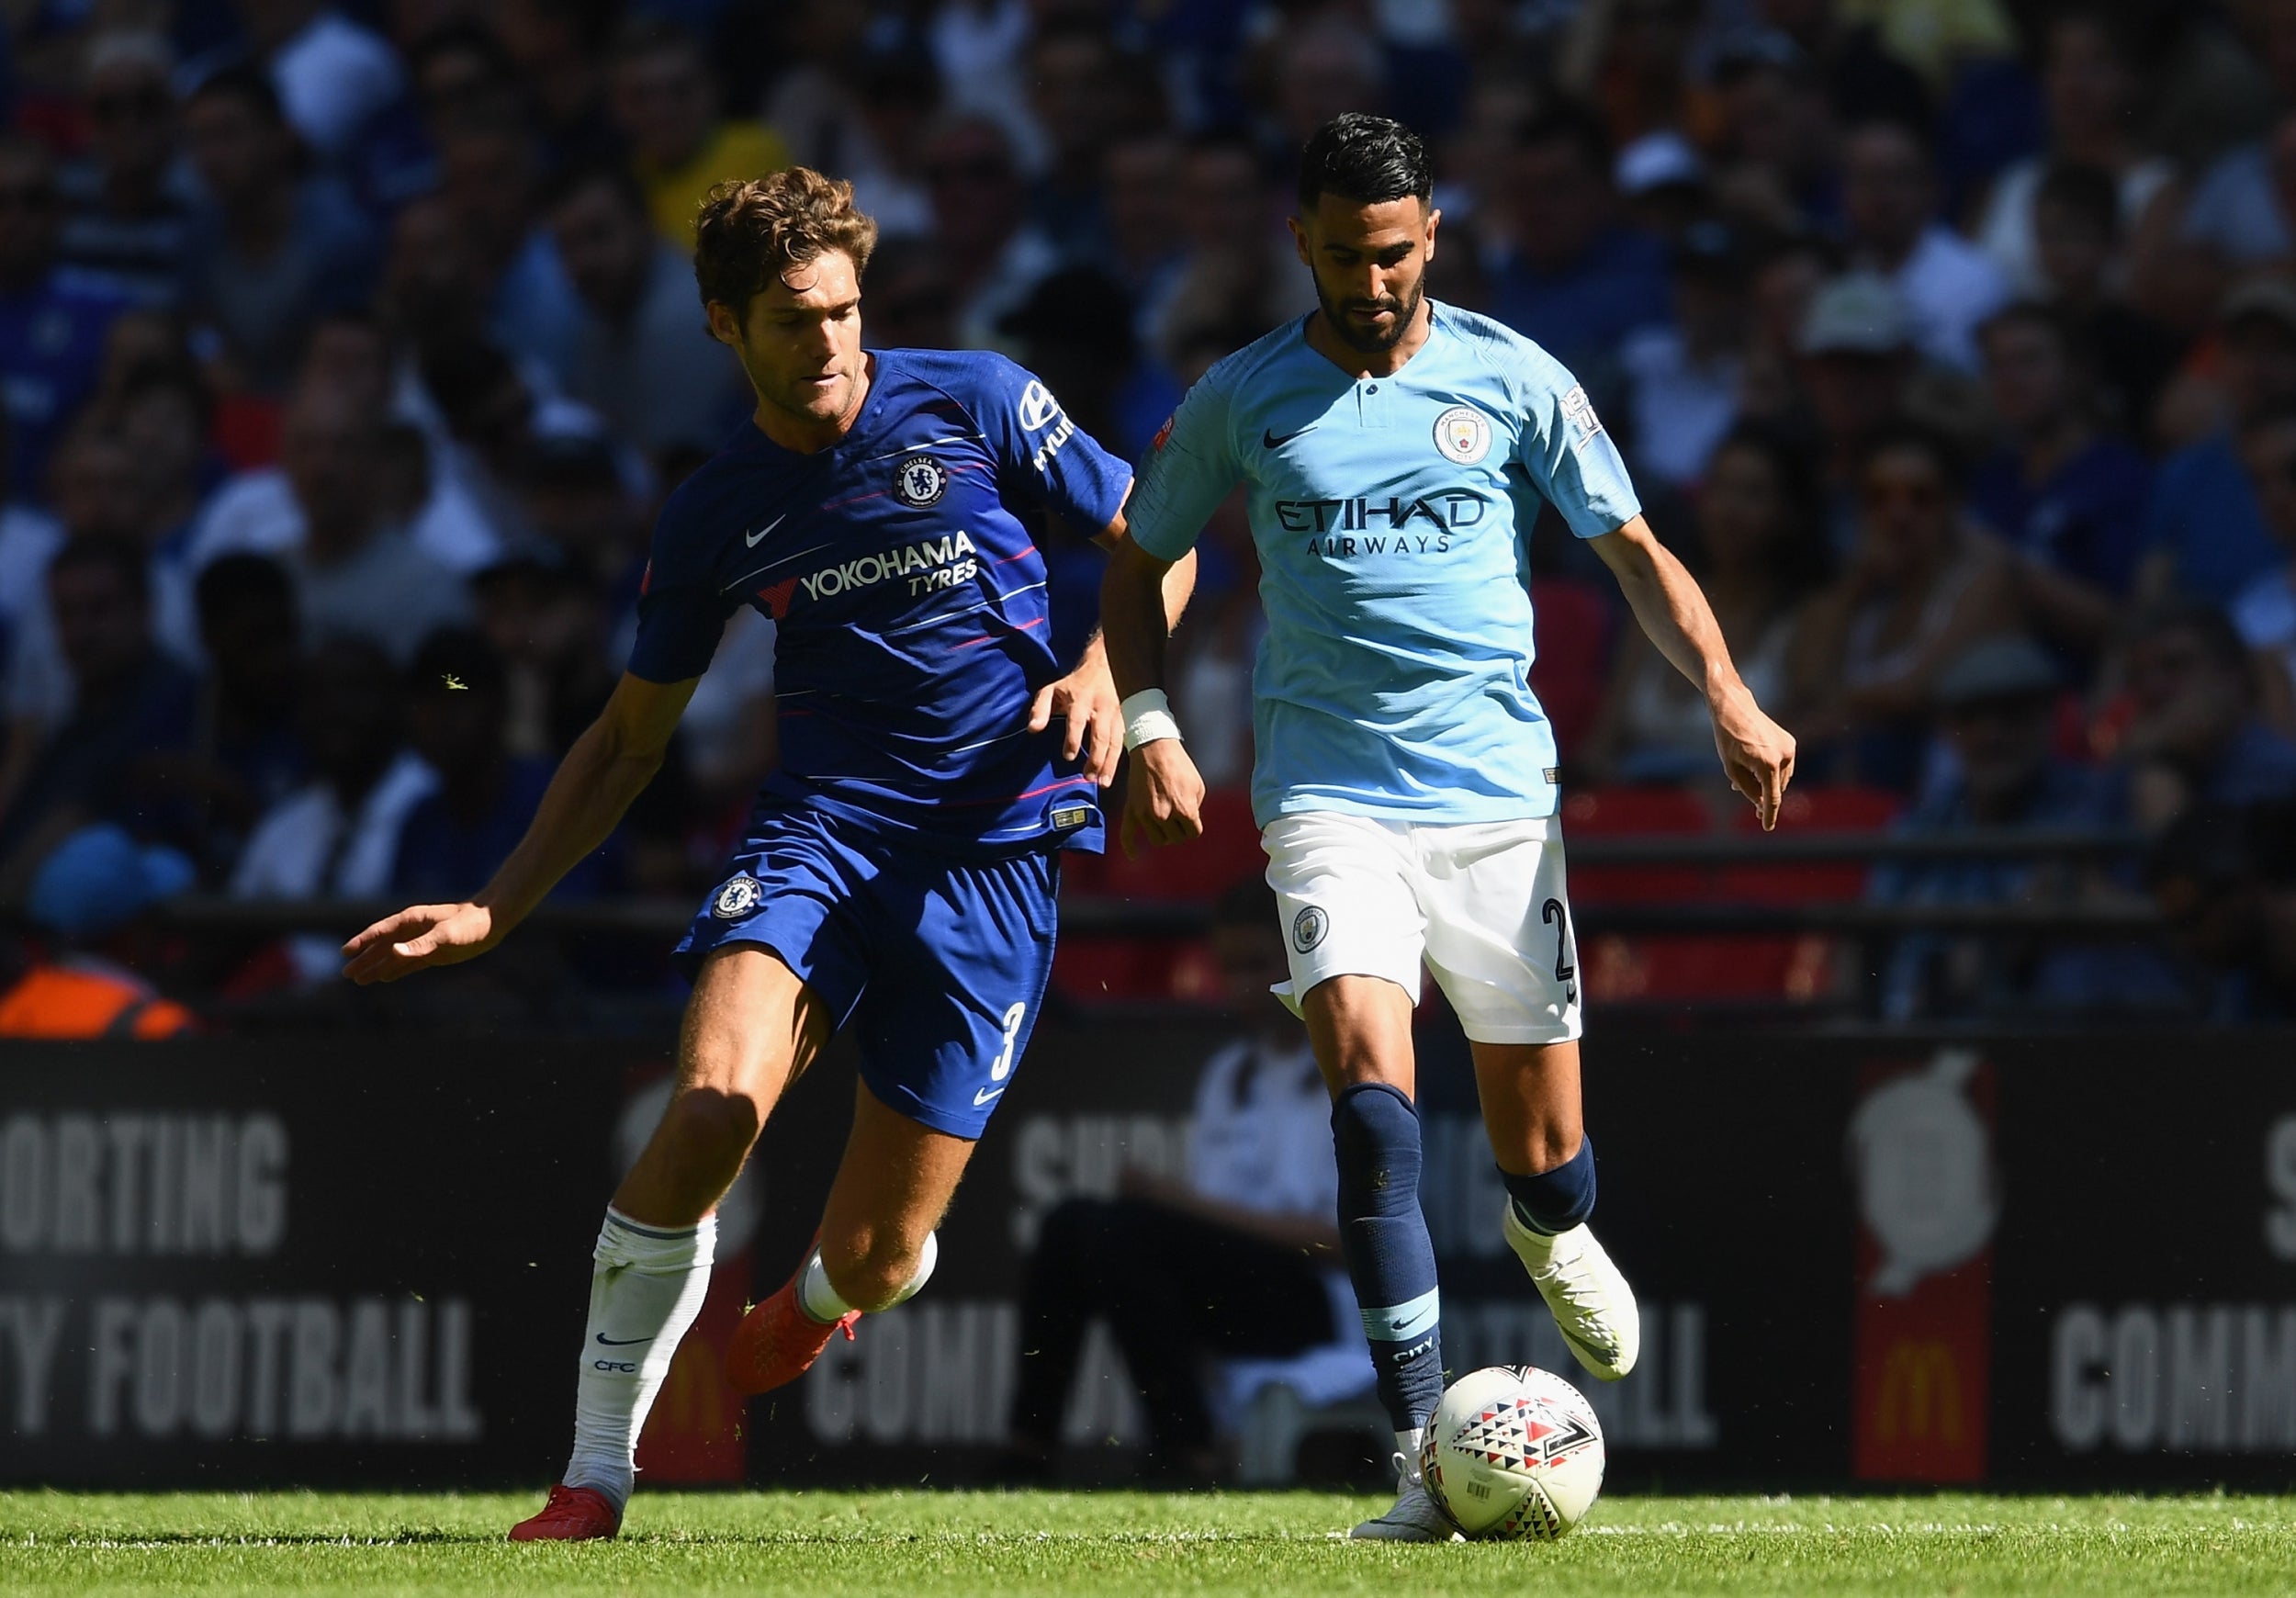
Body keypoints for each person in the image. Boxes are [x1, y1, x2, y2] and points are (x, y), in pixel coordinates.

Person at [338, 166, 1193, 1542]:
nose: (833, 346)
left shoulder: (974, 398)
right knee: (709, 1112)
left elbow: (1157, 537)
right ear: (725, 325)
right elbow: (626, 743)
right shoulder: (715, 510)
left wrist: (1113, 679)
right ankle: (593, 1476)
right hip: (822, 833)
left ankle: (815, 1300)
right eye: (795, 321)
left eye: (847, 313)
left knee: (878, 1249)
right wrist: (497, 913)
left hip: (991, 857)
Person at [1099, 114, 1795, 1541]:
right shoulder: (1243, 396)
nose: (1374, 283)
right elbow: (1137, 555)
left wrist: (1729, 693)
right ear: (1302, 241)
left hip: (1497, 806)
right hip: (1328, 797)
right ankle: (1421, 1452)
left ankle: (1551, 1229)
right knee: (1371, 1095)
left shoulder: (1513, 375)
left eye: (1398, 254)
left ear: (1435, 240)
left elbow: (1635, 552)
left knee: (1544, 1154)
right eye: (1348, 256)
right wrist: (1155, 723)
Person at [1004, 877, 1348, 1480]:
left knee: (1126, 1232)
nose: (1243, 984)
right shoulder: (1229, 1074)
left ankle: (1187, 1449)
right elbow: (1205, 1233)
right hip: (1237, 1286)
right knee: (1075, 1225)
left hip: (1319, 1304)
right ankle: (1029, 1448)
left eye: (1258, 963)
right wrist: (1180, 1211)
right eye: (1231, 967)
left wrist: (1176, 1202)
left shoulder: (1353, 1072)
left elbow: (1347, 1246)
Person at [1587, 424, 1826, 785]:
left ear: (1788, 512)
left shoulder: (1810, 618)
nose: (1730, 510)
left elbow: (1816, 731)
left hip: (1748, 820)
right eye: (1721, 488)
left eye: (1752, 493)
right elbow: (1604, 741)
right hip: (1641, 807)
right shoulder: (1653, 602)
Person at [1790, 422, 2018, 791]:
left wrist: (1824, 718)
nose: (1899, 514)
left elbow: (1919, 691)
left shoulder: (1983, 582)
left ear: (1953, 505)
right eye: (1878, 497)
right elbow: (1807, 684)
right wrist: (1853, 587)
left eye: (1921, 497)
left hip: (1943, 791)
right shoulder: (1861, 597)